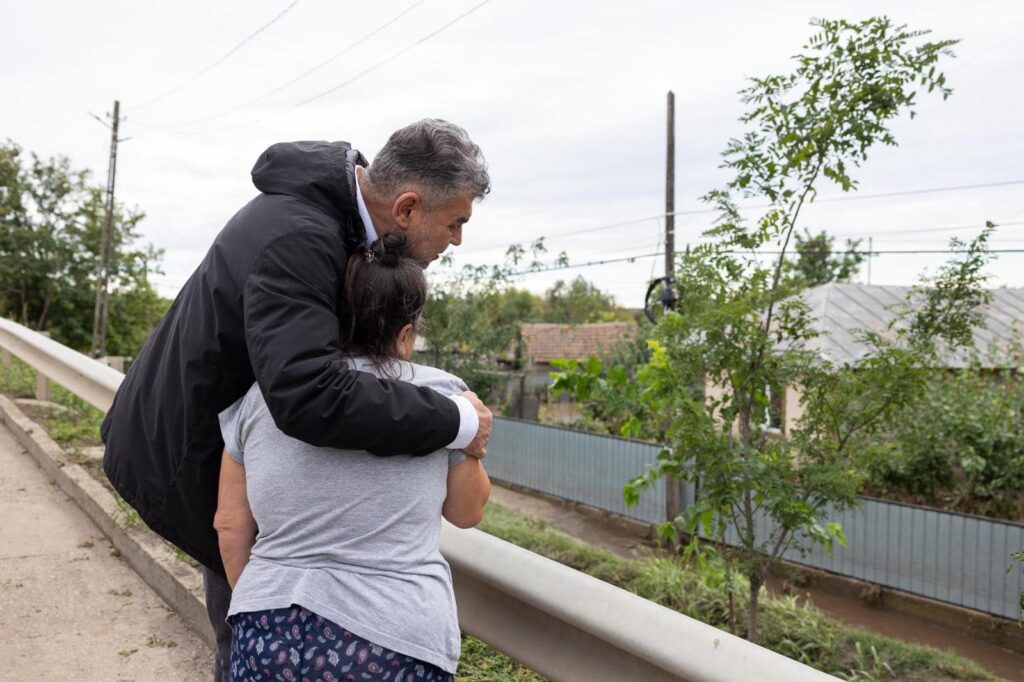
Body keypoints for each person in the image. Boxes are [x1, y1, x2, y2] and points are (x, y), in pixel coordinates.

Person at [100, 120, 493, 681]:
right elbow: (309, 394)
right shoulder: (302, 237)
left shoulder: (327, 224)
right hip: (190, 451)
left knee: (260, 642)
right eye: (455, 222)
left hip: (230, 450)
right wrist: (455, 420)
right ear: (406, 208)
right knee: (242, 635)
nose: (456, 240)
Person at [215, 232, 490, 681]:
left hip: (268, 626)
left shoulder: (264, 397)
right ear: (404, 335)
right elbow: (466, 511)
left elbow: (229, 525)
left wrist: (263, 604)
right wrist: (472, 443)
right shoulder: (444, 396)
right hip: (395, 635)